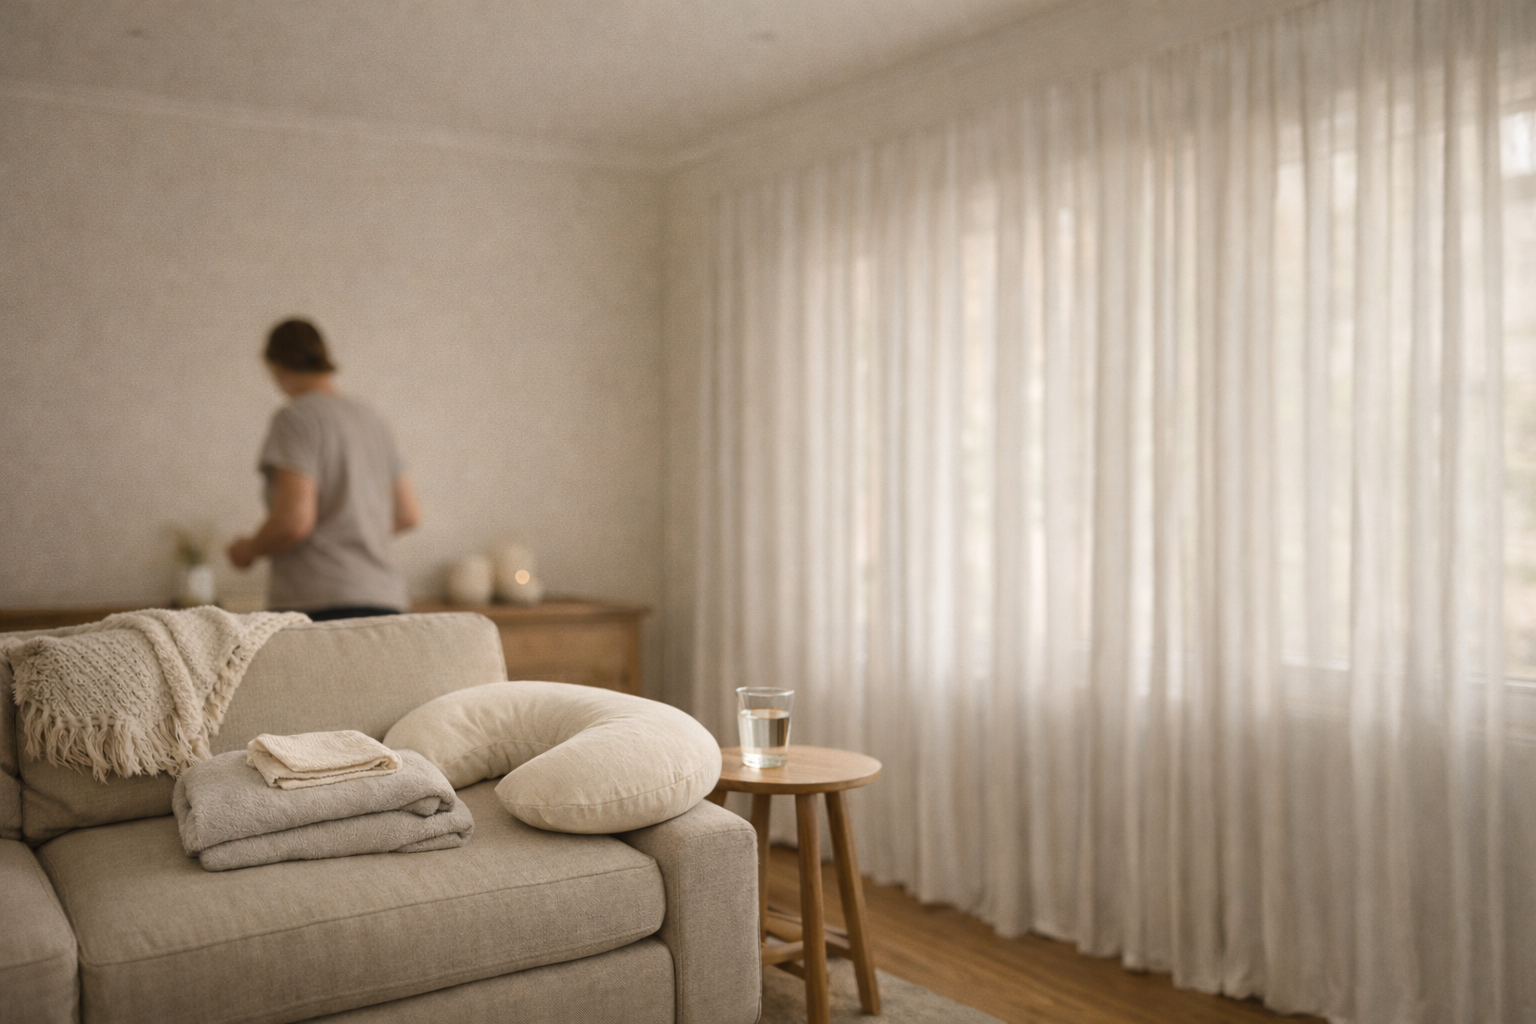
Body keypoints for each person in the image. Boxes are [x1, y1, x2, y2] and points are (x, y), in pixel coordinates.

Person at [227, 318, 421, 620]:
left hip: (319, 602)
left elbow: (294, 520)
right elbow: (408, 514)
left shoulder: (296, 417)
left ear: (277, 366)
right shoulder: (372, 419)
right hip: (385, 600)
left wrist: (248, 549)